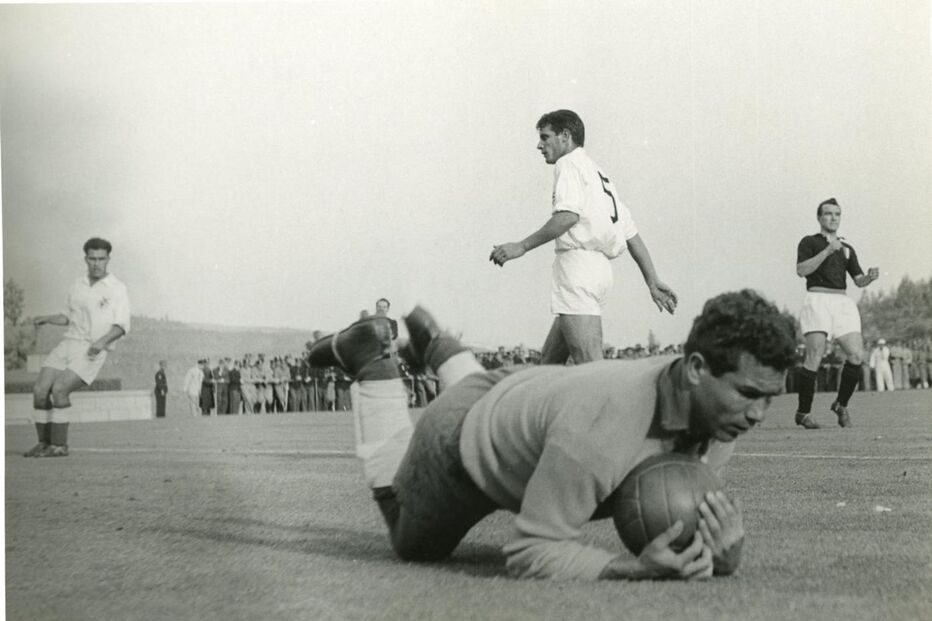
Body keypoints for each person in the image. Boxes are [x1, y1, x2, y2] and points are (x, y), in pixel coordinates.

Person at [308, 289, 796, 581]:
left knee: (535, 420)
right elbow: (527, 550)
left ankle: (437, 343)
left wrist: (721, 549)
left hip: (527, 393)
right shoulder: (604, 429)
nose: (759, 414)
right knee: (413, 543)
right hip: (461, 443)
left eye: (770, 397)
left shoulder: (719, 416)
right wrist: (630, 570)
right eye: (749, 394)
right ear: (695, 369)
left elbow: (689, 527)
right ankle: (370, 356)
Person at [489, 110, 677, 365]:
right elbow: (632, 235)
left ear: (565, 136)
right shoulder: (599, 174)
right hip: (598, 272)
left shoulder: (567, 164)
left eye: (545, 137)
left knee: (591, 368)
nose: (539, 145)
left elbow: (567, 217)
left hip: (577, 268)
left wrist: (521, 246)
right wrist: (652, 280)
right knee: (548, 368)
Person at [26, 237, 131, 457]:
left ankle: (59, 445)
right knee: (39, 390)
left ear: (108, 259)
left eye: (101, 259)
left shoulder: (117, 288)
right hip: (68, 343)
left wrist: (101, 343)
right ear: (86, 259)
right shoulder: (78, 284)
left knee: (60, 390)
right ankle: (43, 443)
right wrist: (45, 318)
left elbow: (122, 326)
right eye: (92, 258)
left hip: (91, 349)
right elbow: (67, 316)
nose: (96, 263)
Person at [793, 198, 879, 429]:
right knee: (815, 353)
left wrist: (868, 278)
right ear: (820, 218)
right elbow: (802, 270)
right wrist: (828, 250)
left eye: (837, 214)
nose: (833, 218)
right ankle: (803, 412)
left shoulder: (848, 249)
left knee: (856, 356)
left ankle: (841, 404)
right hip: (817, 298)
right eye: (828, 214)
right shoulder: (809, 242)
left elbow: (857, 280)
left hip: (841, 301)